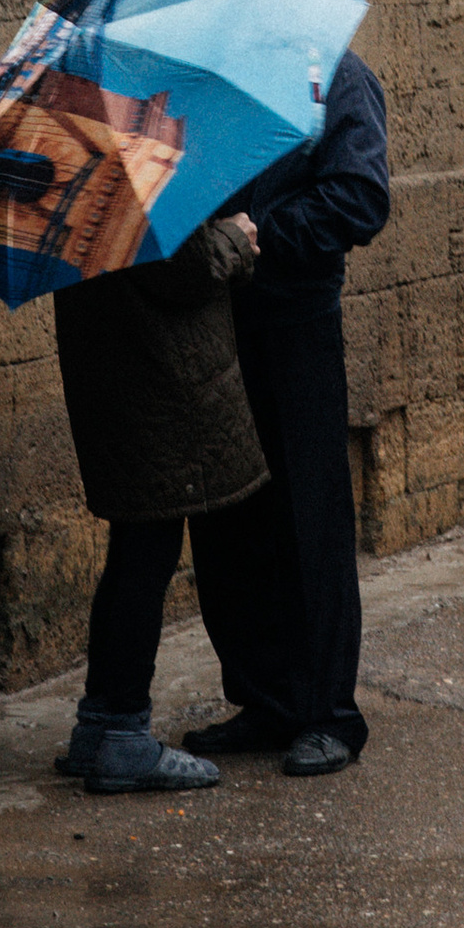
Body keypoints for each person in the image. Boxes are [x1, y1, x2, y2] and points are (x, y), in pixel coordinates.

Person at [186, 42, 389, 776]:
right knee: (230, 519)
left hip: (298, 324)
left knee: (311, 514)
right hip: (217, 326)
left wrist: (265, 234)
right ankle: (266, 699)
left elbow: (363, 198)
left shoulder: (339, 79)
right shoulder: (218, 82)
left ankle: (330, 712)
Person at [50, 211, 268, 792]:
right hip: (154, 380)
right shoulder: (135, 170)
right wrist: (233, 240)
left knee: (132, 549)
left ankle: (99, 725)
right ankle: (123, 733)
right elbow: (183, 270)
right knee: (147, 552)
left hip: (115, 374)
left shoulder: (84, 176)